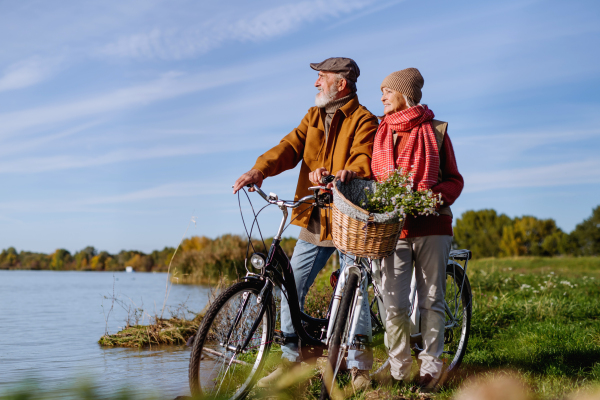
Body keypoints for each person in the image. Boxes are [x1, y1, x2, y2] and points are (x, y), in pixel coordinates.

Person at [233, 57, 379, 390]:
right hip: (315, 218)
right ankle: (290, 362)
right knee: (290, 286)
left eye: (322, 78)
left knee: (352, 293)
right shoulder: (313, 117)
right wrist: (260, 170)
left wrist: (349, 172)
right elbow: (289, 146)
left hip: (349, 219)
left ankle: (360, 370)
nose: (316, 84)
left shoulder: (364, 119)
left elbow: (363, 156)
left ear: (340, 83)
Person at [371, 68, 464, 391]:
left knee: (431, 301)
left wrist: (431, 198)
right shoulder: (380, 133)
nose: (381, 96)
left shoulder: (436, 131)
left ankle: (431, 368)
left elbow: (455, 179)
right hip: (393, 230)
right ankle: (399, 369)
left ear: (405, 95)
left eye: (387, 91)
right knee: (394, 305)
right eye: (381, 91)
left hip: (433, 226)